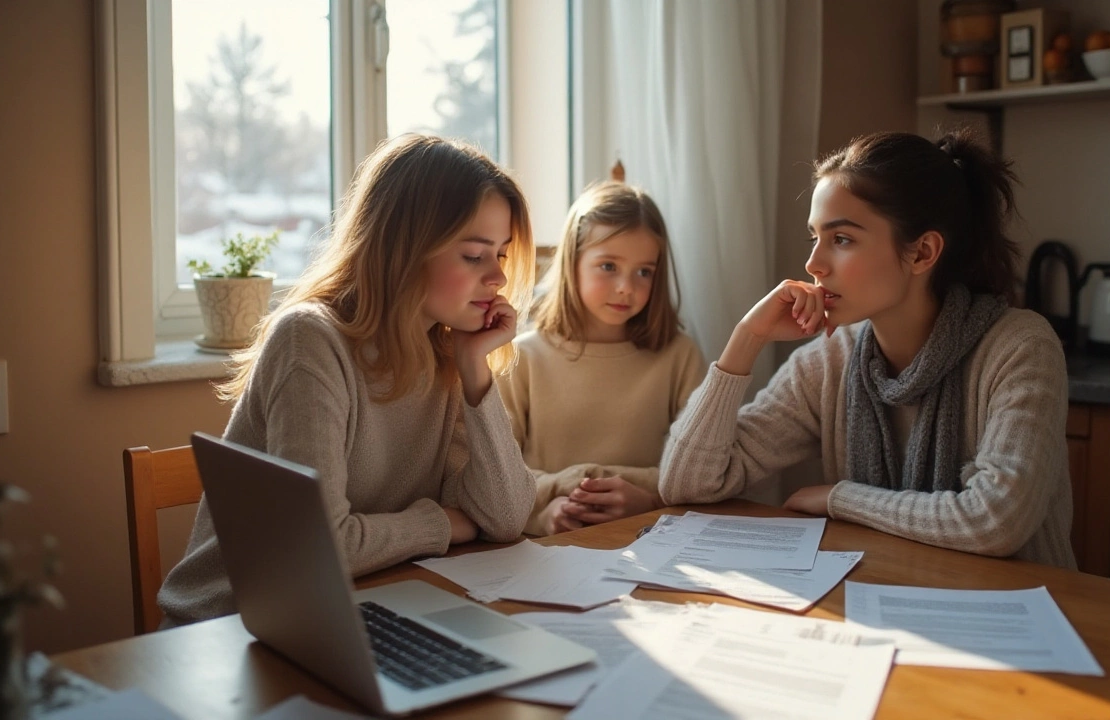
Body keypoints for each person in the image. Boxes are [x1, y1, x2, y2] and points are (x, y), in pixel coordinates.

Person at [159, 134, 540, 626]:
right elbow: (317, 546)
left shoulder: (446, 352)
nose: (498, 279)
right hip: (232, 626)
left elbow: (505, 517)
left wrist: (475, 373)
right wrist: (439, 522)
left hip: (358, 608)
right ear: (403, 249)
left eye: (502, 255)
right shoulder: (309, 340)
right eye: (474, 255)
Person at [659, 128, 1076, 569]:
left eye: (841, 239)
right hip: (887, 604)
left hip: (1025, 617)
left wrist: (840, 499)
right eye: (814, 237)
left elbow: (994, 521)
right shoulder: (831, 360)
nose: (813, 264)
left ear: (922, 253)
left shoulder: (1020, 347)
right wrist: (746, 337)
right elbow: (686, 485)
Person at [498, 181, 705, 536]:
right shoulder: (521, 358)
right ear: (572, 262)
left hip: (652, 544)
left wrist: (649, 502)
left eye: (644, 272)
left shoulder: (680, 355)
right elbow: (497, 474)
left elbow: (704, 470)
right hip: (546, 552)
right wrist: (545, 514)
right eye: (608, 266)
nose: (627, 286)